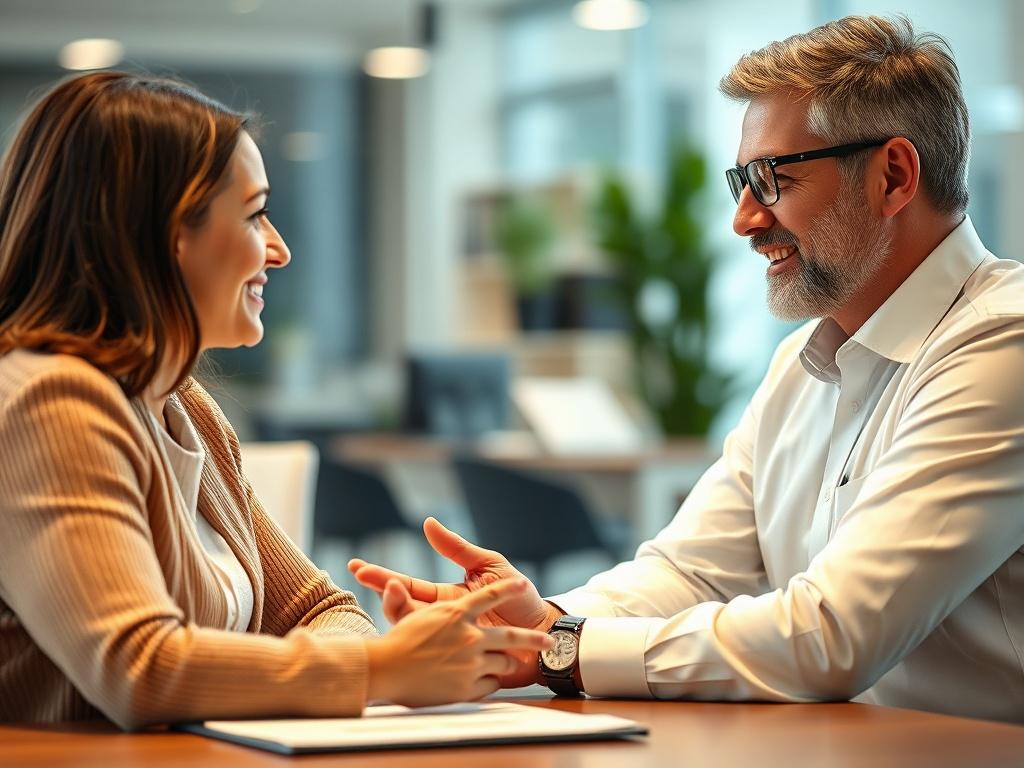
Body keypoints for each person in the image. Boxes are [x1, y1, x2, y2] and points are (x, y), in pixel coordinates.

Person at [350, 15, 1024, 724]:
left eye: (772, 179)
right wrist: (540, 622)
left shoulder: (1002, 345)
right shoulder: (802, 363)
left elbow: (834, 634)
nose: (743, 219)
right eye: (743, 179)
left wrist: (563, 649)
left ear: (893, 175)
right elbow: (691, 571)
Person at [0, 71, 551, 730]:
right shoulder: (47, 401)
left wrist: (381, 661)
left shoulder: (184, 407)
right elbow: (138, 669)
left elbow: (325, 610)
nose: (280, 250)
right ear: (169, 234)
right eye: (255, 213)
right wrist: (381, 671)